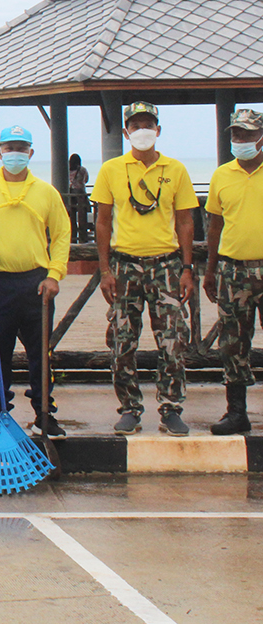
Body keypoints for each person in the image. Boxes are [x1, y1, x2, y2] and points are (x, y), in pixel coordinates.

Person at [93, 102, 198, 436]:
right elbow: (103, 221)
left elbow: (185, 220)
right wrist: (105, 270)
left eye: (148, 124)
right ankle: (129, 408)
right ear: (125, 132)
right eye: (135, 125)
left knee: (173, 341)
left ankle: (171, 408)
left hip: (166, 266)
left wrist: (186, 268)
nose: (142, 131)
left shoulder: (176, 169)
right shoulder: (111, 169)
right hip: (124, 267)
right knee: (122, 341)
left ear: (158, 130)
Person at [0, 124, 70, 439]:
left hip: (37, 282)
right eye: (9, 148)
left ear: (31, 153)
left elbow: (62, 234)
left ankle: (44, 412)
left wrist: (54, 274)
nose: (15, 154)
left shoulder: (46, 192)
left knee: (40, 352)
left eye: (21, 148)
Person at [206, 109, 263, 435]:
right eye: (236, 135)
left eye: (246, 134)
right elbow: (214, 226)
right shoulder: (221, 175)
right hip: (233, 271)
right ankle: (237, 413)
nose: (240, 140)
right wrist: (210, 271)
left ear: (261, 137)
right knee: (232, 344)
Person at [68, 153, 91, 242]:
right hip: (81, 194)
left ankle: (73, 237)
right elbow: (86, 179)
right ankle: (83, 237)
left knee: (72, 215)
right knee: (82, 215)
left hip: (71, 193)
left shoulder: (67, 169)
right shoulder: (82, 170)